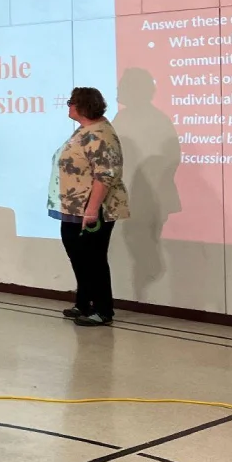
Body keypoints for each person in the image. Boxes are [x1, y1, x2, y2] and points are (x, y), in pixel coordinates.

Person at [51, 86, 130, 327]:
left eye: (71, 102)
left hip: (92, 209)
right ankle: (84, 303)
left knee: (93, 258)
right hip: (74, 206)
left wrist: (92, 210)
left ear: (83, 106)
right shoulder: (85, 130)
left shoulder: (100, 134)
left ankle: (103, 309)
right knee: (78, 256)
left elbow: (104, 175)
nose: (68, 106)